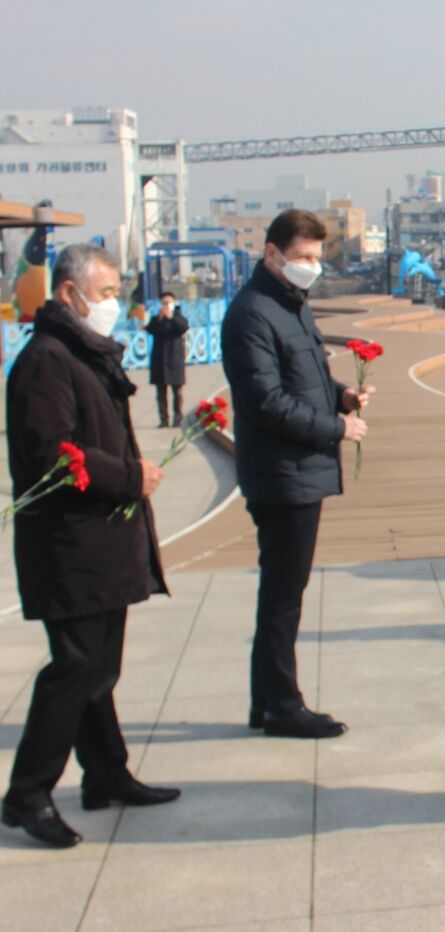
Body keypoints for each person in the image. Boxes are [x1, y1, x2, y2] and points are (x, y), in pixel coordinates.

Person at [3, 244, 179, 849]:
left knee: (99, 667)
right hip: (69, 544)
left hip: (101, 538)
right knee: (75, 668)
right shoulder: (47, 360)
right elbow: (48, 453)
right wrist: (130, 477)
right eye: (104, 295)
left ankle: (105, 774)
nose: (114, 306)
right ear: (69, 295)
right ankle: (28, 793)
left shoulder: (83, 354)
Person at [222, 210, 371, 740]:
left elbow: (310, 377)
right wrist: (336, 427)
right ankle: (283, 705)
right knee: (284, 595)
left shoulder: (291, 306)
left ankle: (267, 702)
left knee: (283, 590)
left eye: (316, 258)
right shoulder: (252, 313)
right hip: (280, 472)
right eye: (303, 258)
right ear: (272, 255)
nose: (311, 267)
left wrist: (342, 396)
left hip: (297, 469)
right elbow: (266, 401)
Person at [146, 291, 189, 427]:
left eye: (168, 302)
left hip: (174, 359)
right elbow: (150, 329)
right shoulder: (156, 319)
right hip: (159, 360)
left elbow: (183, 328)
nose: (165, 305)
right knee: (161, 392)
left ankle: (178, 417)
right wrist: (160, 318)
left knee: (177, 391)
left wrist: (171, 316)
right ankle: (163, 419)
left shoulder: (178, 318)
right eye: (163, 303)